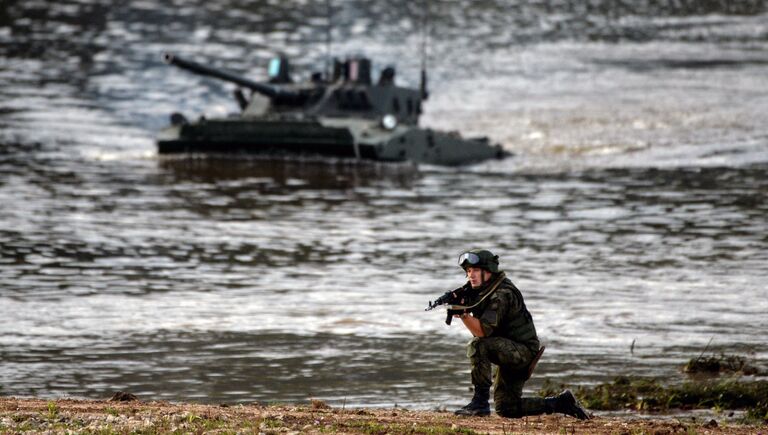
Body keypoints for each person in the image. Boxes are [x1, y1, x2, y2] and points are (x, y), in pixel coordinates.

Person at [450, 249, 589, 420]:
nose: (471, 275)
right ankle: (560, 403)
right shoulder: (483, 291)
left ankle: (480, 403)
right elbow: (481, 329)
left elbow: (482, 332)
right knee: (507, 407)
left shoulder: (501, 294)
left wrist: (463, 314)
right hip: (509, 349)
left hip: (521, 352)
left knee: (477, 344)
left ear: (488, 271)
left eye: (475, 270)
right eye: (469, 271)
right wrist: (463, 308)